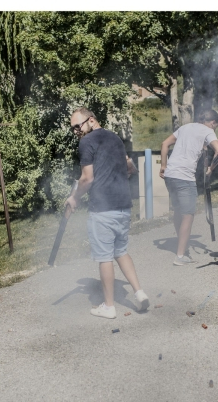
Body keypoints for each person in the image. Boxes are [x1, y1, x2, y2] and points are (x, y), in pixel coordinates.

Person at [65, 107, 149, 319]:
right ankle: (139, 293)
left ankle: (109, 306)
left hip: (102, 209)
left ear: (91, 120)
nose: (76, 131)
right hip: (123, 205)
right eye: (73, 128)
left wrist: (74, 198)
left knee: (105, 257)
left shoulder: (87, 142)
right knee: (121, 251)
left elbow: (87, 178)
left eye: (78, 126)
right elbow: (130, 168)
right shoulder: (115, 139)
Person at [160, 110, 218, 265]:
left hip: (170, 175)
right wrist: (212, 168)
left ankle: (182, 245)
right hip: (184, 177)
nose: (214, 130)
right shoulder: (208, 131)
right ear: (212, 122)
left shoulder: (185, 127)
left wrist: (163, 166)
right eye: (216, 127)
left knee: (178, 211)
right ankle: (181, 256)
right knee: (188, 215)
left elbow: (164, 144)